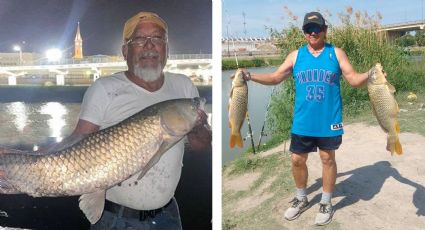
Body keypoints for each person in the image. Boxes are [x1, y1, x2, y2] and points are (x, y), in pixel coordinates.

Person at [42, 11, 211, 229]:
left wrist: (198, 126)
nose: (149, 45)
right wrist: (30, 156)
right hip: (115, 219)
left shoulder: (184, 87)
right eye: (139, 39)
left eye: (158, 38)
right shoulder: (104, 89)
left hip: (167, 215)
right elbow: (77, 141)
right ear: (125, 51)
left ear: (166, 49)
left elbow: (201, 145)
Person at [242, 11, 370, 226]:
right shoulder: (296, 55)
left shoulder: (336, 53)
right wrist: (250, 76)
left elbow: (354, 79)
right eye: (308, 30)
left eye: (317, 28)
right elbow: (275, 77)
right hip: (303, 121)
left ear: (325, 30)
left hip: (329, 120)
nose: (313, 33)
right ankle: (301, 198)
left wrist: (371, 74)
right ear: (304, 33)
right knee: (297, 160)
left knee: (328, 159)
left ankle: (326, 202)